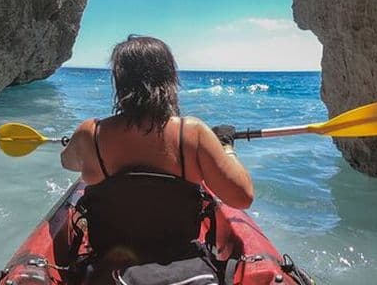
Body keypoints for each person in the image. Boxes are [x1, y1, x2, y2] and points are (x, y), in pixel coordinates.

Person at [60, 35, 253, 209]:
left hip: (106, 239)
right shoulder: (193, 132)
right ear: (169, 77)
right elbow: (243, 199)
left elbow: (68, 163)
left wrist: (84, 148)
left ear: (119, 80)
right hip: (177, 240)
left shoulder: (90, 132)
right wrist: (226, 147)